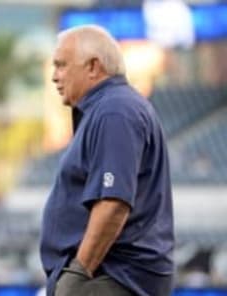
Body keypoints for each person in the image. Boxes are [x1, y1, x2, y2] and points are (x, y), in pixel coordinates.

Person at [40, 25, 174, 296]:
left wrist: (78, 271)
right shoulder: (106, 108)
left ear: (93, 67)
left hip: (113, 276)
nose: (55, 76)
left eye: (62, 65)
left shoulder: (115, 111)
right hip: (109, 276)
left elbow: (113, 203)